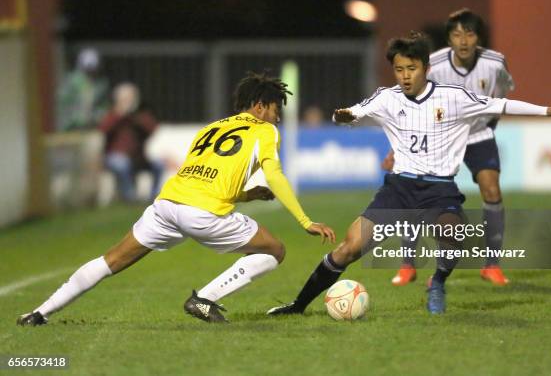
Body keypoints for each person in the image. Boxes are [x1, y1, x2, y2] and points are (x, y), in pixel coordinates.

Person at [267, 32, 551, 315]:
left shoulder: (453, 97)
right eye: (399, 69)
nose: (404, 76)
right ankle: (298, 306)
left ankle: (437, 282)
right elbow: (356, 111)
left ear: (426, 67)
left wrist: (546, 111)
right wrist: (343, 116)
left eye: (411, 69)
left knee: (453, 236)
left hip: (439, 190)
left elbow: (499, 103)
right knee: (349, 248)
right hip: (398, 190)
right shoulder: (387, 97)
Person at [17, 72, 336, 326]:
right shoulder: (264, 131)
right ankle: (205, 298)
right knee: (275, 249)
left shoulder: (210, 128)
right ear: (259, 105)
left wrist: (246, 194)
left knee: (110, 260)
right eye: (276, 109)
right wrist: (305, 221)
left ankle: (39, 312)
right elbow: (276, 175)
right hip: (204, 214)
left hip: (167, 206)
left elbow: (201, 178)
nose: (277, 117)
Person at [388, 9, 515, 286]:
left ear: (479, 38)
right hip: (439, 136)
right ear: (449, 39)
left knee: (491, 189)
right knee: (416, 190)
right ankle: (407, 263)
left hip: (478, 134)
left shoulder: (494, 64)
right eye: (457, 35)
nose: (463, 41)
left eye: (469, 34)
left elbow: (503, 92)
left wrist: (490, 119)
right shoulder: (434, 64)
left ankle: (492, 265)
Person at [99, 83, 164, 202]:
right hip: (114, 157)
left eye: (131, 98)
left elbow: (153, 129)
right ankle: (130, 198)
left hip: (137, 158)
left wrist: (135, 117)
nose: (129, 102)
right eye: (125, 99)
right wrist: (120, 115)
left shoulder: (139, 115)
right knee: (122, 163)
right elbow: (103, 129)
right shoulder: (112, 114)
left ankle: (154, 197)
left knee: (159, 165)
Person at [56, 48, 110, 131]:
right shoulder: (71, 82)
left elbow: (104, 106)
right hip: (71, 128)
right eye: (87, 69)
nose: (90, 72)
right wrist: (75, 117)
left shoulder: (101, 85)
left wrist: (96, 116)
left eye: (92, 68)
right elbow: (63, 104)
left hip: (93, 128)